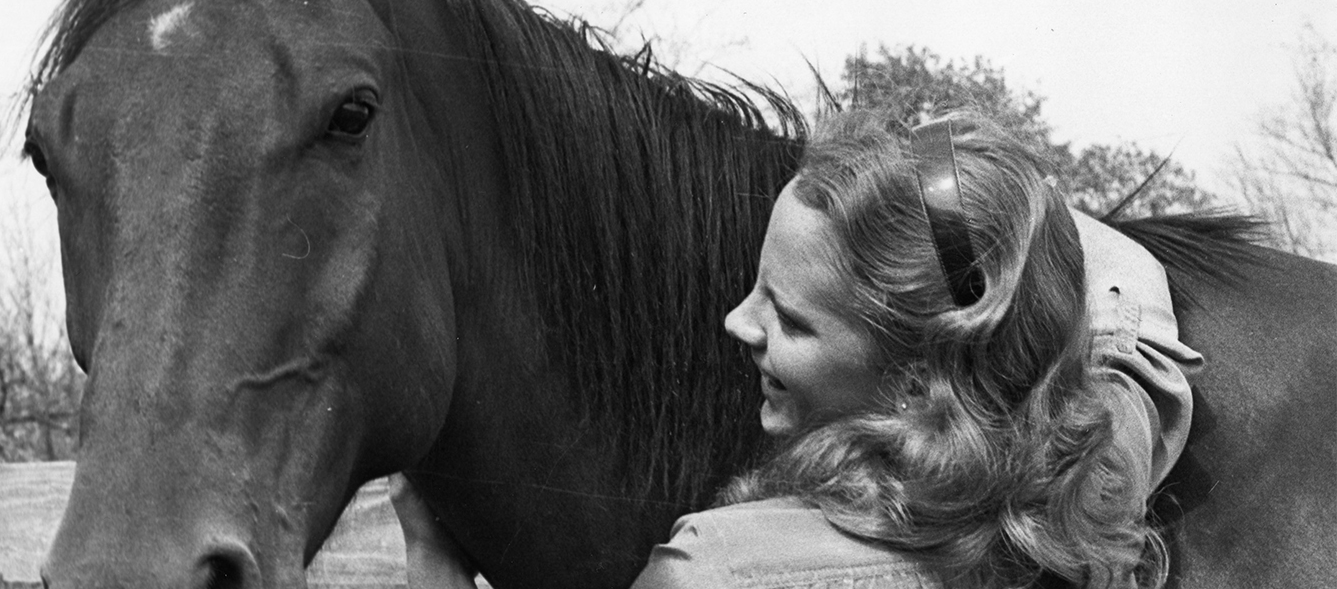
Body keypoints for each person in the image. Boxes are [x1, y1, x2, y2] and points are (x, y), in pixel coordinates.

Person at [393, 109, 1202, 589]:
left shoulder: (715, 571)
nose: (738, 325)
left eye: (792, 319)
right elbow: (1133, 313)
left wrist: (432, 558)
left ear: (920, 383)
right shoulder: (1095, 488)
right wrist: (987, 226)